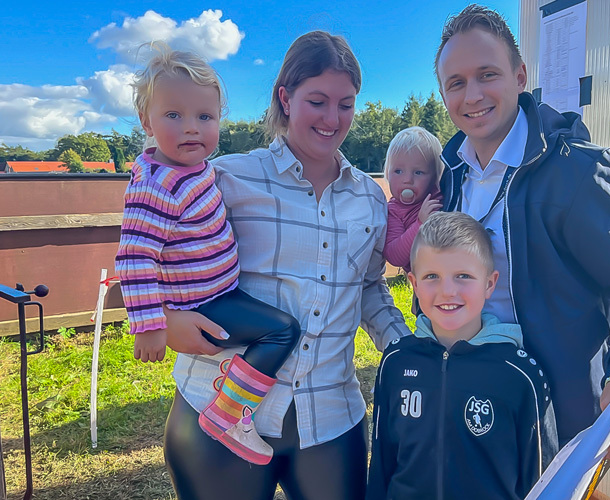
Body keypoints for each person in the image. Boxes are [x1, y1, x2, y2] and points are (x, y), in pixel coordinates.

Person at [160, 31, 410, 500]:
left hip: (329, 420)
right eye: (317, 100)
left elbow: (371, 288)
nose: (332, 118)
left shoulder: (370, 199)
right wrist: (162, 321)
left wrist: (407, 348)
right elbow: (154, 253)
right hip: (216, 414)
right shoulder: (227, 178)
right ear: (285, 98)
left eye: (346, 104)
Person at [435, 5, 610, 456]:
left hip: (555, 423)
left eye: (487, 74)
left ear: (521, 75)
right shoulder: (451, 173)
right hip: (471, 406)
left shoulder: (579, 170)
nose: (472, 96)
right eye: (456, 83)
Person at [115, 45, 301, 466]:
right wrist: (150, 325)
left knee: (276, 328)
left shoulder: (194, 169)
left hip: (218, 290)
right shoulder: (156, 187)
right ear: (146, 121)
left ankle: (229, 407)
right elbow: (134, 259)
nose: (191, 129)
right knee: (282, 332)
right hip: (203, 303)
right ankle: (230, 413)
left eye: (205, 117)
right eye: (173, 115)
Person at [367, 211, 558, 500]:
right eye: (432, 276)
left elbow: (542, 479)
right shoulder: (395, 362)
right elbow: (381, 463)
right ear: (414, 284)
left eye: (463, 276)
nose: (447, 291)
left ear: (490, 284)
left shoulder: (520, 374)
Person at [382, 126, 443, 273]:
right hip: (425, 283)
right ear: (387, 173)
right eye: (398, 171)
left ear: (435, 177)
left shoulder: (441, 197)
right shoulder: (394, 212)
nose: (407, 180)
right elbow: (394, 256)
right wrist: (420, 224)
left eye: (418, 172)